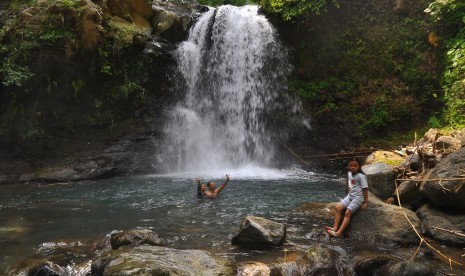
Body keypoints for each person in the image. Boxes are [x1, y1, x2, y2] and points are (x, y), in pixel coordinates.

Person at [325, 159, 368, 237]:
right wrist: (348, 194)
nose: (353, 167)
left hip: (358, 198)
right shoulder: (349, 174)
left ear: (359, 167)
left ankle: (339, 233)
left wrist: (365, 202)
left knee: (347, 213)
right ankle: (335, 228)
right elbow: (350, 185)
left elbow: (365, 189)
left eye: (355, 166)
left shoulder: (361, 176)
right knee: (338, 208)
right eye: (351, 165)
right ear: (348, 166)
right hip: (350, 196)